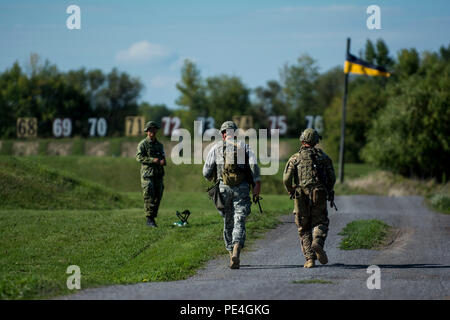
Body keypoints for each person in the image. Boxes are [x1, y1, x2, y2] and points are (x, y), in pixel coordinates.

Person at [203, 121, 261, 269]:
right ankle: (236, 248)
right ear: (235, 133)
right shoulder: (244, 147)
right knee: (239, 219)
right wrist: (256, 185)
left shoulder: (216, 148)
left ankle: (230, 253)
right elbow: (254, 166)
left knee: (228, 220)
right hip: (241, 188)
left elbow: (206, 172)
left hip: (223, 188)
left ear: (223, 134)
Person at [282, 128, 336, 268]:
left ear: (302, 140)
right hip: (319, 194)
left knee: (303, 227)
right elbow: (332, 178)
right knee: (321, 222)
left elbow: (286, 179)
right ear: (316, 141)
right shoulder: (323, 157)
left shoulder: (295, 158)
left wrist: (291, 190)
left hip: (300, 196)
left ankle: (310, 259)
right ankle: (317, 242)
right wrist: (328, 190)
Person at [136, 121, 166, 228]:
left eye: (154, 129)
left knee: (158, 195)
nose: (152, 131)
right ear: (147, 132)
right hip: (147, 174)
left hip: (158, 174)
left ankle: (153, 216)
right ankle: (149, 219)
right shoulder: (143, 144)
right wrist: (153, 160)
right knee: (149, 194)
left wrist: (163, 161)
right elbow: (139, 157)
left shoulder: (159, 145)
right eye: (150, 130)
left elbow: (163, 156)